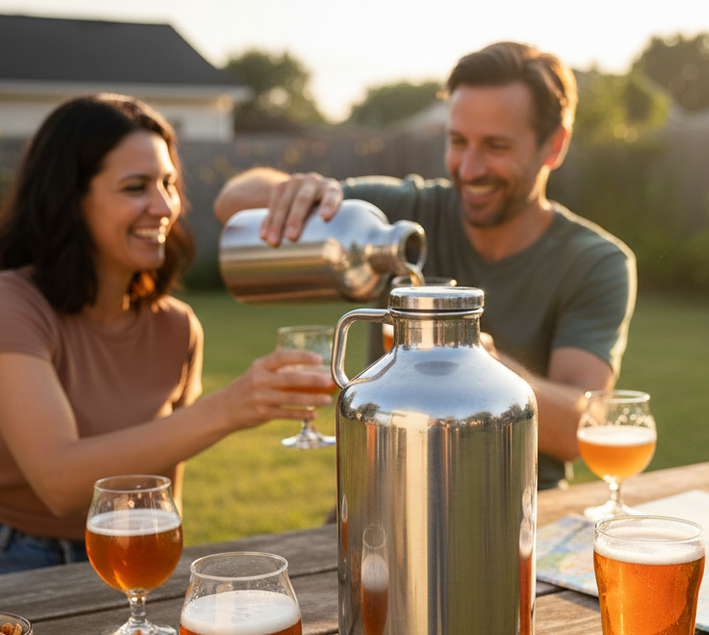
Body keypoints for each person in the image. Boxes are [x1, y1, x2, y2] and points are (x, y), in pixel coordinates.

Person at [0, 94, 332, 592]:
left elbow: (161, 497)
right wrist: (229, 407)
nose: (163, 206)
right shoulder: (5, 303)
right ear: (70, 199)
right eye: (136, 187)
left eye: (167, 184)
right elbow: (59, 482)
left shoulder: (178, 327)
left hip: (105, 564)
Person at [213, 41, 636, 491]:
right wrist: (297, 190)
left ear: (554, 145)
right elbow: (232, 203)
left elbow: (578, 429)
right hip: (383, 493)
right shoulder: (403, 212)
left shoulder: (596, 262)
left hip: (516, 507)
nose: (469, 168)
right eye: (457, 141)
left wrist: (474, 357)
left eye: (495, 146)